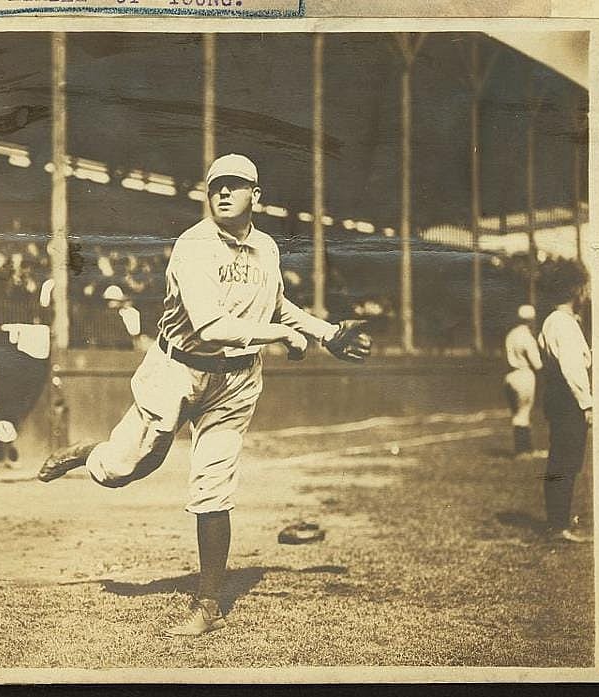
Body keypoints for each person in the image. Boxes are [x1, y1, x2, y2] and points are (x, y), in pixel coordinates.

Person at [36, 154, 372, 635]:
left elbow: (277, 302)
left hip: (235, 382)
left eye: (236, 185)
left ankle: (208, 604)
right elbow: (212, 328)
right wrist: (282, 337)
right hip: (177, 368)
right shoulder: (193, 246)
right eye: (216, 186)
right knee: (125, 469)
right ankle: (89, 454)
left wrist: (326, 332)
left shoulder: (266, 248)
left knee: (212, 485)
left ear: (256, 196)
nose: (223, 193)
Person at [537, 261, 592, 544]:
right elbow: (572, 367)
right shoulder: (563, 323)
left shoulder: (553, 321)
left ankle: (558, 522)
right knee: (566, 461)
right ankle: (558, 525)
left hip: (559, 395)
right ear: (576, 290)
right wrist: (586, 403)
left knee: (563, 460)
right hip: (568, 397)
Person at [503, 304, 543, 457]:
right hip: (524, 375)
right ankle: (523, 450)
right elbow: (537, 364)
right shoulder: (527, 337)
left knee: (517, 414)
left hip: (510, 376)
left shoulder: (511, 335)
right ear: (531, 320)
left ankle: (524, 450)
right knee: (524, 413)